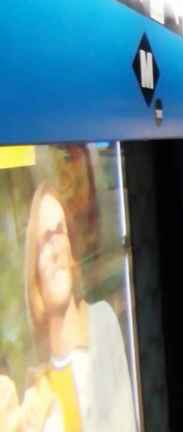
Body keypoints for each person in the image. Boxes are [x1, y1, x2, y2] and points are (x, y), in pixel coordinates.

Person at [17, 183, 137, 431]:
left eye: (59, 232)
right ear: (34, 273)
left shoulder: (102, 322)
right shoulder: (36, 392)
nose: (54, 251)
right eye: (43, 241)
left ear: (72, 250)